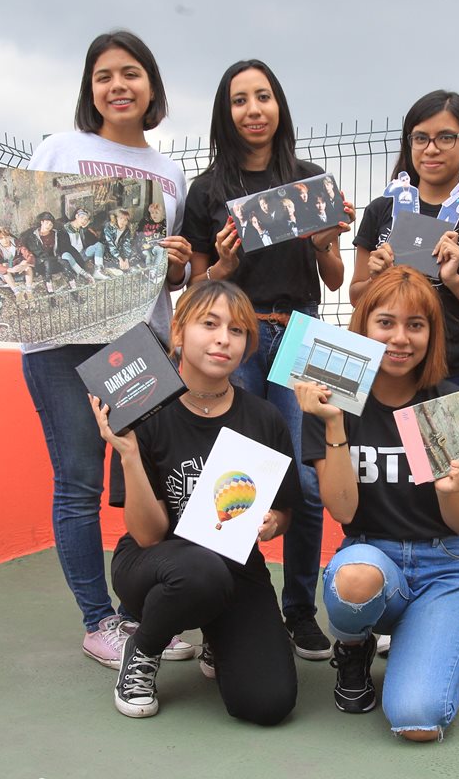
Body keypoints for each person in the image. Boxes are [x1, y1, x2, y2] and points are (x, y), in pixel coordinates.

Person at [0, 30, 196, 670]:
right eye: (103, 76)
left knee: (153, 477)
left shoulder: (170, 173)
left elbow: (167, 276)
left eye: (131, 73)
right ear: (90, 89)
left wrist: (176, 263)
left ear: (152, 85)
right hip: (58, 342)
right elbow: (6, 229)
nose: (117, 86)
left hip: (136, 342)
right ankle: (98, 620)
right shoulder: (60, 149)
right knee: (80, 481)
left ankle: (148, 613)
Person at [185, 58, 354, 662]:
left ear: (279, 105)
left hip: (306, 332)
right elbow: (196, 287)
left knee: (307, 479)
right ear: (224, 112)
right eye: (239, 100)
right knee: (236, 476)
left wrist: (326, 244)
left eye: (263, 96)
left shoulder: (311, 181)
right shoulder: (207, 190)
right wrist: (224, 267)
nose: (253, 110)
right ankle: (226, 618)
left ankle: (299, 611)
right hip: (240, 334)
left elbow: (334, 279)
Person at [349, 89, 459, 692]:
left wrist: (453, 277)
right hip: (388, 377)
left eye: (446, 137)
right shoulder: (382, 209)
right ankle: (379, 610)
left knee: (456, 495)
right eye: (421, 137)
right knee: (378, 487)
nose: (432, 148)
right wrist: (378, 275)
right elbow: (355, 297)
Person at [90, 280, 301, 723]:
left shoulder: (265, 418)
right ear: (179, 333)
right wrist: (128, 454)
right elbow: (147, 535)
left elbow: (284, 511)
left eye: (237, 330)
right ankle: (143, 648)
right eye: (210, 324)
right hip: (156, 564)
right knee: (200, 572)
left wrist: (272, 523)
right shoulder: (144, 412)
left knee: (267, 704)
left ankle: (219, 637)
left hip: (235, 564)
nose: (224, 339)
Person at [298, 266, 459, 742]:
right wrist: (334, 422)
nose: (400, 339)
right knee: (353, 581)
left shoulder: (451, 403)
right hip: (372, 556)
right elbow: (342, 511)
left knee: (418, 720)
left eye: (415, 325)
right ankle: (355, 645)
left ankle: (452, 625)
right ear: (363, 326)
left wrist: (451, 489)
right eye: (386, 322)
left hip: (445, 564)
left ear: (431, 334)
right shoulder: (329, 402)